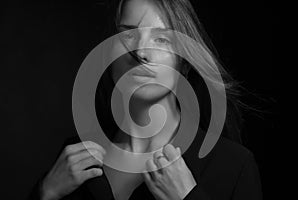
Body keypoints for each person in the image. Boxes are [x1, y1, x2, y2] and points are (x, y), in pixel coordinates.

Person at [28, 0, 263, 199]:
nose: (140, 52)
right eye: (128, 34)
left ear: (184, 61)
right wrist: (45, 192)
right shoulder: (73, 160)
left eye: (162, 39)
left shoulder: (233, 166)